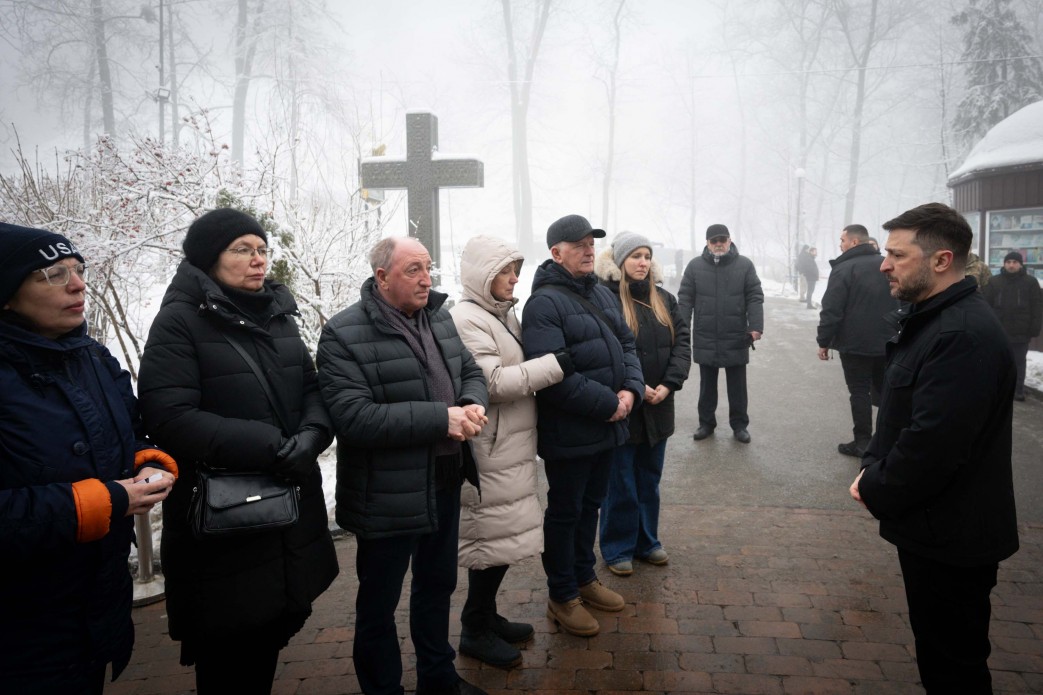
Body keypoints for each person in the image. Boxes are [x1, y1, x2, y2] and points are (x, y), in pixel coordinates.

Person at [137, 208, 339, 695]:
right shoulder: (179, 323)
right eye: (243, 249)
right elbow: (170, 416)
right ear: (210, 258)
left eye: (263, 249)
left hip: (285, 506)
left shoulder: (276, 314)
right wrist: (273, 446)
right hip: (227, 516)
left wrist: (312, 436)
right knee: (229, 649)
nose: (258, 260)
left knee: (270, 631)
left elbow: (311, 387)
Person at [0, 223, 176, 694]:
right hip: (19, 630)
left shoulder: (91, 357)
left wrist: (147, 463)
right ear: (6, 294)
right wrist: (97, 503)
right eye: (52, 274)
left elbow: (129, 431)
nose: (78, 284)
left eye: (78, 270)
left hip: (94, 606)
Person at [850, 202, 1019, 694]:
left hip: (953, 536)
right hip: (938, 527)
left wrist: (873, 484)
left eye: (897, 255)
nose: (884, 265)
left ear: (941, 260)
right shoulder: (936, 319)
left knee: (954, 669)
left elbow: (932, 446)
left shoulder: (960, 334)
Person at [316, 236, 489, 695]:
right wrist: (442, 418)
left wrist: (470, 402)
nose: (425, 278)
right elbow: (354, 419)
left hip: (445, 477)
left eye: (428, 267)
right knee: (379, 603)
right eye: (412, 269)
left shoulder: (439, 316)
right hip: (387, 492)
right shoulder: (343, 333)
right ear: (382, 277)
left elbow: (469, 370)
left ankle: (438, 679)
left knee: (436, 587)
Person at [521, 214, 644, 637]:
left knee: (591, 505)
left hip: (608, 424)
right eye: (579, 244)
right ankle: (562, 594)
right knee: (566, 511)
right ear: (556, 253)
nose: (589, 249)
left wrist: (631, 389)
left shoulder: (602, 293)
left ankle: (584, 578)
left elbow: (627, 344)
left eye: (591, 242)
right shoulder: (543, 304)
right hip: (571, 430)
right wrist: (607, 404)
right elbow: (551, 374)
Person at [449, 235, 567, 668]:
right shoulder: (467, 318)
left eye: (516, 270)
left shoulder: (499, 315)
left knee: (500, 538)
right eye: (505, 271)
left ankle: (484, 615)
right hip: (489, 448)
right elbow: (492, 382)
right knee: (487, 538)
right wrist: (556, 364)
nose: (514, 278)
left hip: (508, 446)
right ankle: (474, 630)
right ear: (483, 276)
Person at [594, 232, 690, 577]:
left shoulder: (664, 299)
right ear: (619, 261)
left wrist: (668, 384)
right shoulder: (605, 300)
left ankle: (647, 541)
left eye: (647, 256)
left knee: (649, 479)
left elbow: (682, 345)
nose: (642, 262)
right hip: (625, 405)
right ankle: (618, 546)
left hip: (659, 407)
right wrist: (635, 386)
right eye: (635, 256)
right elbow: (606, 353)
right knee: (620, 481)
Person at [816, 223, 897, 458]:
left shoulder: (844, 268)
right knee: (886, 391)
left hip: (855, 344)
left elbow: (831, 309)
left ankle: (862, 441)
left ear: (853, 242)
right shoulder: (886, 264)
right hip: (887, 342)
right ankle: (889, 440)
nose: (840, 244)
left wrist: (824, 341)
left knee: (859, 392)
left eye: (842, 240)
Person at [678, 223, 764, 444]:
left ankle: (739, 425)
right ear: (707, 243)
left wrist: (755, 326)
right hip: (705, 334)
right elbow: (685, 298)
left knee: (737, 385)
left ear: (729, 240)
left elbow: (755, 295)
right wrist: (682, 328)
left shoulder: (744, 265)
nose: (718, 244)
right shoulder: (695, 266)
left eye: (722, 240)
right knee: (707, 385)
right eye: (714, 240)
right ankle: (706, 423)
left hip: (736, 334)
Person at [984, 250, 1042, 401]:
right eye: (1008, 262)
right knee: (997, 362)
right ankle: (997, 389)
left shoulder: (1030, 282)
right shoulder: (994, 281)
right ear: (1004, 264)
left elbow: (1037, 306)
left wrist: (1034, 327)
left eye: (1015, 262)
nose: (1011, 265)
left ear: (1020, 265)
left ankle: (1018, 391)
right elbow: (985, 306)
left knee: (1018, 364)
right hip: (998, 331)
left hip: (1020, 332)